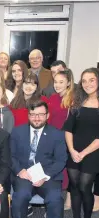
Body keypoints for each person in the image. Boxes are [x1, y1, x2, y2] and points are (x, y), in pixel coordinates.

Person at [10, 101, 67, 218]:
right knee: (21, 194)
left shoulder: (57, 134)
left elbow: (61, 160)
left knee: (55, 198)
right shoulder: (17, 132)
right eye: (33, 114)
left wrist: (45, 176)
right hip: (25, 173)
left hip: (48, 176)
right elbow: (10, 156)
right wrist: (20, 171)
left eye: (40, 115)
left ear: (47, 115)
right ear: (28, 115)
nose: (36, 118)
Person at [62, 68, 99, 218]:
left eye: (92, 80)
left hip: (92, 153)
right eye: (84, 81)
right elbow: (68, 129)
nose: (87, 84)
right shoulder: (77, 102)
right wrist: (71, 150)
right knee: (74, 185)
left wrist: (83, 153)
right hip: (74, 151)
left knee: (85, 186)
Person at [48, 69, 75, 202]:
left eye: (61, 82)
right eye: (55, 82)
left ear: (68, 83)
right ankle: (53, 197)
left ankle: (67, 199)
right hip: (51, 137)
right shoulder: (53, 97)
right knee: (54, 167)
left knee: (66, 169)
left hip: (65, 139)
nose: (57, 85)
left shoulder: (72, 100)